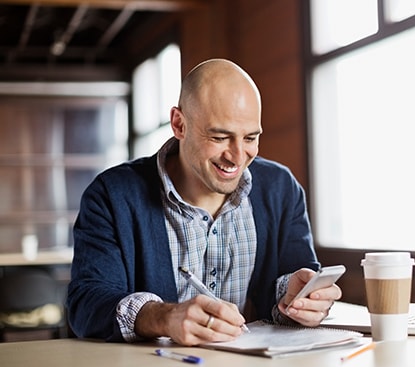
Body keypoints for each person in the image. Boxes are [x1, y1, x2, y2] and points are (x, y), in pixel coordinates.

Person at [66, 59, 342, 345]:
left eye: (250, 137)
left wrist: (302, 300)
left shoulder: (281, 189)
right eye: (220, 137)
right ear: (179, 124)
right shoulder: (112, 195)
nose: (237, 156)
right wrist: (164, 317)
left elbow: (295, 284)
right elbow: (85, 304)